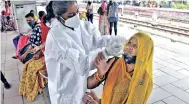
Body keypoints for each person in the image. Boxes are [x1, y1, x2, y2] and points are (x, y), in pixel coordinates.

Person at [44, 1, 126, 104]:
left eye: (77, 11)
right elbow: (81, 64)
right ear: (59, 16)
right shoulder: (56, 36)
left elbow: (97, 40)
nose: (76, 17)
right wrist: (105, 53)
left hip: (80, 83)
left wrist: (114, 40)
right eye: (71, 15)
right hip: (64, 91)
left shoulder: (81, 26)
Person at [83, 32, 154, 104]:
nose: (129, 47)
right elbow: (88, 84)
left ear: (144, 53)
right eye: (129, 43)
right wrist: (100, 75)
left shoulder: (144, 80)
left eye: (135, 46)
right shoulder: (114, 62)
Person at [19, 12, 49, 102]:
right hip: (41, 53)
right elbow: (37, 44)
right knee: (27, 65)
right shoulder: (39, 28)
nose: (28, 22)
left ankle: (36, 88)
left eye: (30, 20)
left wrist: (38, 51)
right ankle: (27, 89)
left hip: (48, 56)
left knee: (31, 67)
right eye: (27, 21)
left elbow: (42, 45)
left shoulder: (40, 28)